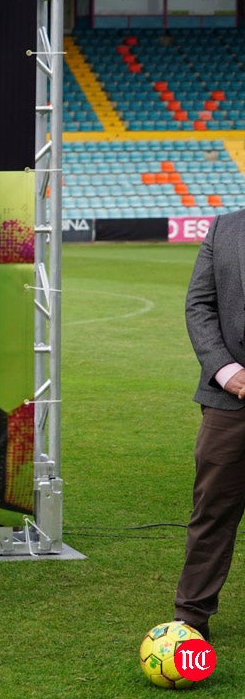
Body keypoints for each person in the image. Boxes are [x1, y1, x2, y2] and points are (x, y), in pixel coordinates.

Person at [175, 213, 245, 641]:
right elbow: (199, 305)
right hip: (229, 401)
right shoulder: (224, 228)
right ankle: (191, 617)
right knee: (212, 511)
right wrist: (225, 370)